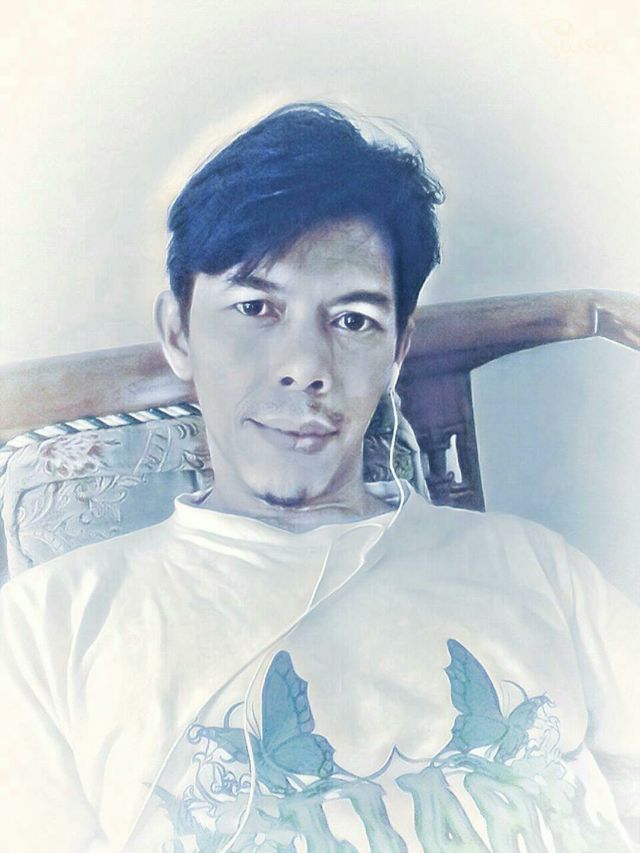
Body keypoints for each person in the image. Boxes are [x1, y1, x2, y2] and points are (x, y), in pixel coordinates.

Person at [0, 103, 638, 853]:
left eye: (354, 320)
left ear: (398, 352)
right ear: (178, 332)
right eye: (256, 307)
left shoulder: (539, 571)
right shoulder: (48, 631)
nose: (305, 366)